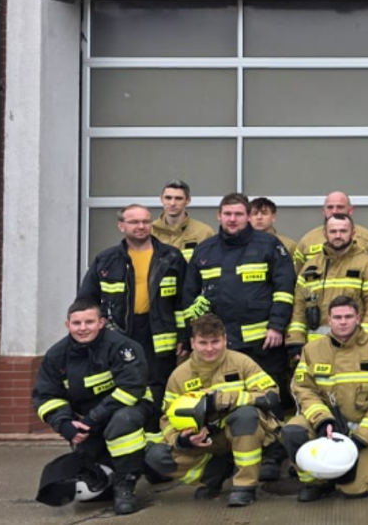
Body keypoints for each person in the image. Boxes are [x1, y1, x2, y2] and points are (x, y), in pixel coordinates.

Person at [34, 301, 154, 515]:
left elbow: (131, 389)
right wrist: (66, 425)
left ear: (101, 323)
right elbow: (46, 397)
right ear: (67, 325)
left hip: (131, 409)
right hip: (87, 419)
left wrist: (91, 420)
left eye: (89, 322)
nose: (83, 328)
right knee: (87, 489)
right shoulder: (56, 355)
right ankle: (112, 473)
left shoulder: (123, 348)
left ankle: (125, 485)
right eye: (76, 323)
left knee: (122, 423)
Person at [153, 314, 280, 507]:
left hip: (241, 432)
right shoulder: (179, 375)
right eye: (203, 343)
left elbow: (270, 395)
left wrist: (220, 400)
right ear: (193, 343)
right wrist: (182, 440)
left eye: (215, 341)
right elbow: (166, 419)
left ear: (225, 340)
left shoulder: (241, 362)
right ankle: (214, 473)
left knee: (246, 415)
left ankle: (244, 486)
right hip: (205, 441)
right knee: (156, 456)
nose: (210, 348)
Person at [180, 193, 296, 402]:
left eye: (238, 214)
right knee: (221, 399)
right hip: (218, 344)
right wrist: (190, 336)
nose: (232, 219)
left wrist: (277, 326)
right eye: (227, 214)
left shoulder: (269, 245)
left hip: (262, 344)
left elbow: (285, 289)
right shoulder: (205, 250)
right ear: (219, 216)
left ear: (248, 217)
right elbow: (189, 296)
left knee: (268, 399)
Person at [281, 296, 368, 501]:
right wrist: (323, 421)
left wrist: (360, 439)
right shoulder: (312, 350)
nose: (343, 322)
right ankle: (314, 482)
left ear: (358, 318)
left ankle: (367, 465)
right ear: (328, 320)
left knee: (355, 490)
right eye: (337, 317)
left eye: (348, 316)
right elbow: (303, 389)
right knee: (292, 431)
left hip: (359, 434)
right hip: (324, 426)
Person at [78, 203, 188, 401]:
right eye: (134, 222)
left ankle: (155, 429)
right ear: (122, 226)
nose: (141, 226)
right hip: (120, 332)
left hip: (160, 333)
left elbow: (184, 300)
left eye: (146, 221)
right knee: (123, 383)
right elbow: (87, 300)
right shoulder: (106, 260)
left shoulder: (171, 257)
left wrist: (184, 335)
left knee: (158, 388)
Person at [289, 214, 368, 344]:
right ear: (325, 233)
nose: (338, 235)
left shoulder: (367, 265)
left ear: (353, 233)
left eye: (343, 231)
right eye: (333, 231)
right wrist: (295, 341)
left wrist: (366, 343)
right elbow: (299, 307)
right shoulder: (310, 266)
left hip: (353, 346)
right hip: (315, 348)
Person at [294, 192, 368, 265]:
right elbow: (297, 275)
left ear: (351, 210)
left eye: (340, 207)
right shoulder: (307, 241)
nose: (334, 211)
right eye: (330, 207)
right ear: (323, 211)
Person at [153, 180, 216, 253]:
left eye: (178, 198)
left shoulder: (204, 233)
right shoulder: (149, 232)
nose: (172, 203)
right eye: (168, 198)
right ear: (161, 199)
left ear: (188, 200)